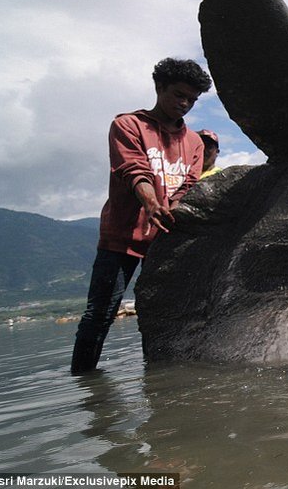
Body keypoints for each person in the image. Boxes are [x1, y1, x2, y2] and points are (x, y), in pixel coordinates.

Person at [71, 58, 212, 374]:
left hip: (164, 240)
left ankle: (157, 379)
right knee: (101, 312)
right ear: (159, 88)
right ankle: (83, 382)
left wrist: (172, 207)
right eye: (178, 95)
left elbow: (189, 184)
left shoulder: (193, 143)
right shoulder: (128, 125)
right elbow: (134, 169)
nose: (185, 104)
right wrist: (151, 203)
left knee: (161, 312)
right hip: (121, 238)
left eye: (191, 99)